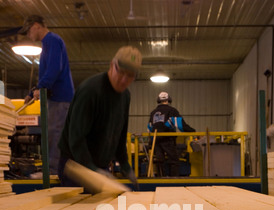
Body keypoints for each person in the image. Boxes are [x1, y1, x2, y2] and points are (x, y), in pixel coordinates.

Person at [58, 46, 140, 190]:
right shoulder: (90, 91)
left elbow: (120, 136)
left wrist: (125, 166)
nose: (123, 80)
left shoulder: (125, 96)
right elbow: (76, 138)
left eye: (130, 75)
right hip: (76, 167)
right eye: (121, 72)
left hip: (99, 167)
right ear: (112, 65)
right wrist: (92, 170)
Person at [19, 15, 74, 176]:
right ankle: (55, 170)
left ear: (36, 25)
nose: (29, 36)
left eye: (28, 31)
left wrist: (41, 87)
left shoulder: (52, 40)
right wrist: (32, 92)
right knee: (52, 133)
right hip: (55, 98)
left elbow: (55, 69)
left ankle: (53, 171)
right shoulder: (47, 43)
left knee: (54, 133)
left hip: (60, 98)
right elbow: (46, 72)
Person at [148, 91, 195, 177]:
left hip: (156, 140)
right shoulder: (172, 111)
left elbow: (150, 128)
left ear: (158, 100)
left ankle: (160, 180)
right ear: (169, 99)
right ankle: (173, 181)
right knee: (174, 160)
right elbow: (181, 125)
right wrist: (193, 132)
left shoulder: (153, 113)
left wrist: (150, 142)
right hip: (168, 139)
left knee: (160, 161)